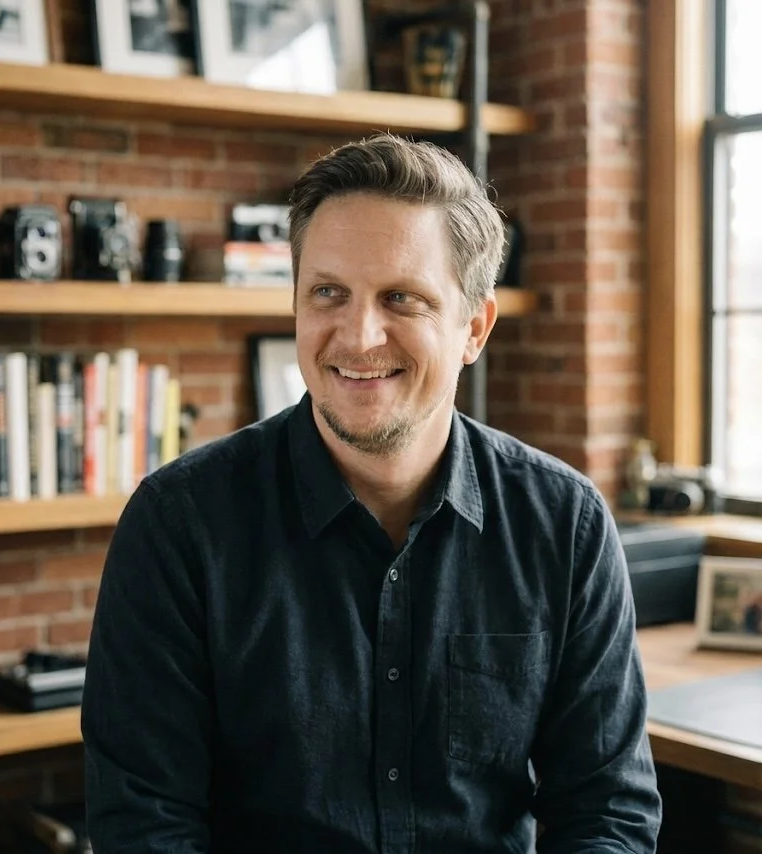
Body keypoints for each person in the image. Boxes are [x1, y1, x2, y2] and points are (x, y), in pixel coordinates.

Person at [82, 133, 662, 852]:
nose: (357, 337)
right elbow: (144, 826)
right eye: (328, 292)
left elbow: (606, 809)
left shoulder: (564, 524)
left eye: (401, 298)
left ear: (473, 328)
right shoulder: (178, 526)